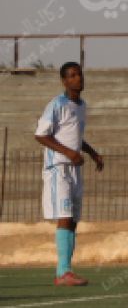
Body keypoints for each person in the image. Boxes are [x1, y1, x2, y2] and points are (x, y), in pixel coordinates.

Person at [34, 62, 104, 287]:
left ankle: (67, 270)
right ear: (64, 81)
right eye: (72, 76)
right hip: (59, 168)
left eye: (79, 74)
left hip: (74, 168)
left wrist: (92, 153)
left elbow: (73, 137)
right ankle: (62, 273)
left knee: (73, 220)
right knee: (64, 217)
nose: (78, 79)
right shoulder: (57, 104)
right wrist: (68, 153)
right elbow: (41, 135)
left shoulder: (81, 105)